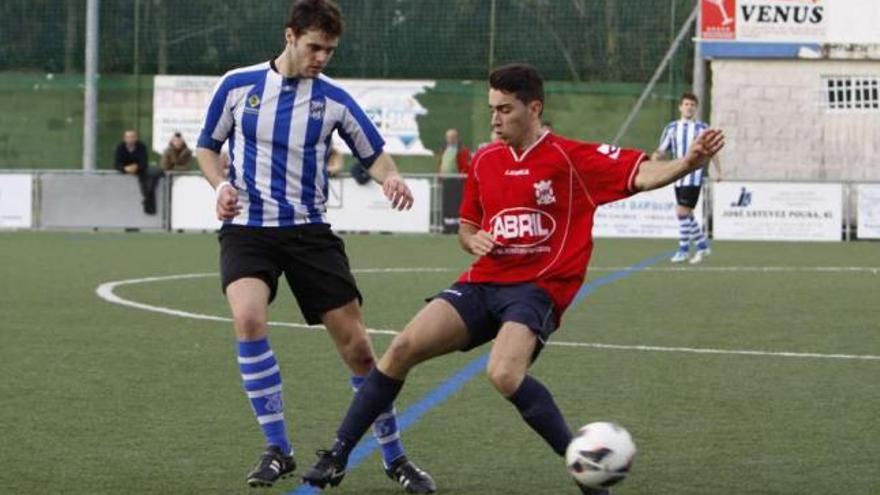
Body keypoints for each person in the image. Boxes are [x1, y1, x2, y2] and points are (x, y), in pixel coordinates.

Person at [301, 64, 724, 494]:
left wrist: (687, 162)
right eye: (492, 109)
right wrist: (474, 240)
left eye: (505, 109)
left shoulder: (570, 157)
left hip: (537, 288)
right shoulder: (485, 159)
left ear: (534, 108)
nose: (494, 119)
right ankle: (337, 455)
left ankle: (585, 471)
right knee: (402, 347)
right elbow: (467, 228)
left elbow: (641, 173)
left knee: (503, 373)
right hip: (483, 282)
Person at [194, 0, 435, 491]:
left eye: (329, 50)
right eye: (314, 47)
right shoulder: (238, 85)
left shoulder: (335, 101)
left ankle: (394, 457)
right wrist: (220, 186)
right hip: (249, 229)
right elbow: (206, 148)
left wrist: (392, 180)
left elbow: (375, 155)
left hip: (309, 232)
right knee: (248, 318)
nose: (321, 57)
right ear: (290, 36)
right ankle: (277, 449)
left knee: (361, 352)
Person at [651, 92, 723, 264]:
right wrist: (655, 158)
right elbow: (662, 149)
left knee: (681, 211)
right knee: (686, 212)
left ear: (696, 108)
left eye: (692, 105)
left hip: (694, 176)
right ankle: (702, 245)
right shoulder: (671, 128)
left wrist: (718, 172)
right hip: (677, 175)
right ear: (680, 107)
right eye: (686, 104)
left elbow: (713, 152)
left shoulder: (702, 128)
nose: (689, 107)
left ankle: (683, 250)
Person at [114, 129, 164, 215]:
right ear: (124, 138)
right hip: (126, 171)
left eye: (132, 137)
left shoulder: (141, 146)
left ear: (136, 138)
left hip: (140, 171)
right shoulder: (120, 147)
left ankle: (148, 201)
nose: (130, 139)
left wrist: (136, 168)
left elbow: (143, 162)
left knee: (152, 175)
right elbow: (117, 163)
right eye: (128, 137)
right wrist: (125, 169)